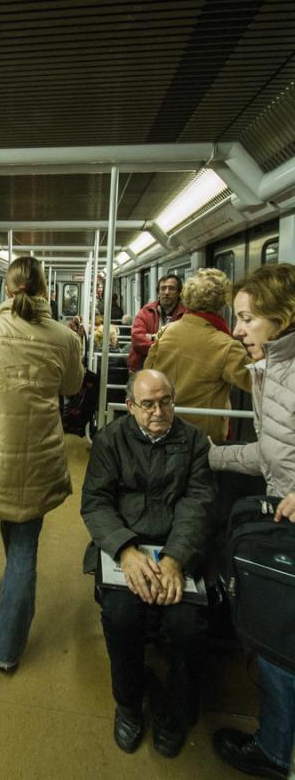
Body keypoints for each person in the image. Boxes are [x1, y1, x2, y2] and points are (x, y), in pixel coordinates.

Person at [0, 256, 84, 672]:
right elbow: (72, 386)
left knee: (17, 536)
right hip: (42, 448)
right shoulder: (64, 337)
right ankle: (8, 649)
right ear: (46, 289)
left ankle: (7, 642)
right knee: (26, 540)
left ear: (7, 289)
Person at [81, 369, 214, 758]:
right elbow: (97, 502)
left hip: (177, 548)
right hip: (128, 545)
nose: (159, 411)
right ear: (130, 407)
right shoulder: (110, 440)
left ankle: (175, 713)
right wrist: (125, 550)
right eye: (148, 404)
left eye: (166, 401)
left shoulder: (193, 442)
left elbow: (198, 504)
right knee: (121, 618)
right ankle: (128, 703)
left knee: (187, 627)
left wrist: (176, 558)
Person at [209, 263, 295, 780]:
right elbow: (272, 452)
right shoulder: (272, 370)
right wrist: (212, 456)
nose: (237, 330)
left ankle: (272, 752)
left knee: (280, 642)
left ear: (281, 318)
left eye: (246, 318)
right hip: (281, 505)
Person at [145, 268, 253, 441]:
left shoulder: (166, 331)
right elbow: (257, 382)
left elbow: (147, 369)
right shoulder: (226, 346)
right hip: (202, 436)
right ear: (222, 302)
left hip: (161, 426)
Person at [128, 275, 186, 372]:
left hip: (173, 368)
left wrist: (152, 337)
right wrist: (168, 347)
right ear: (158, 292)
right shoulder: (145, 312)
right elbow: (137, 341)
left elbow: (183, 344)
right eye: (163, 289)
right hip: (144, 366)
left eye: (171, 288)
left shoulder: (186, 314)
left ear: (179, 293)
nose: (166, 292)